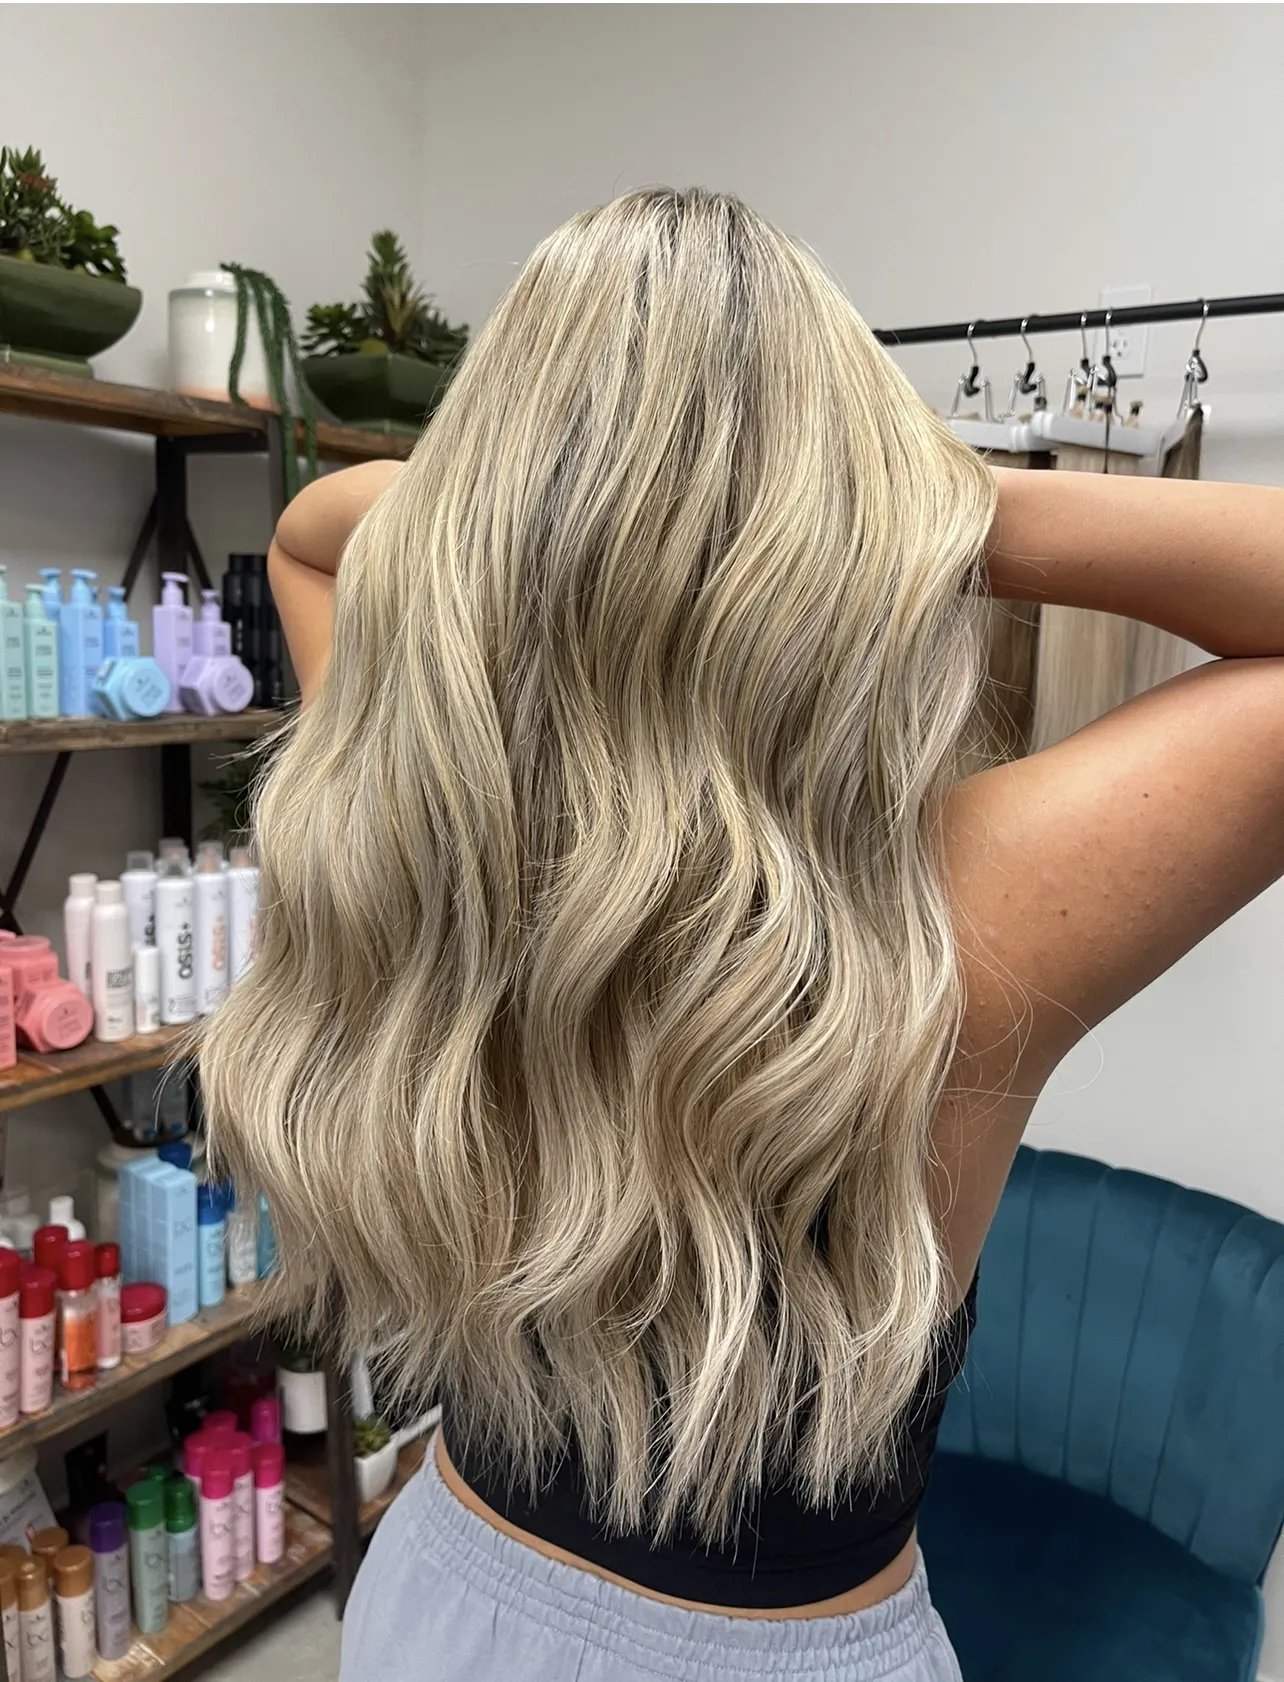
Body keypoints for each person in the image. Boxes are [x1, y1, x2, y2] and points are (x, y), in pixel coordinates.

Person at [200, 189, 1284, 1682]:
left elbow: (312, 538)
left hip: (438, 1596)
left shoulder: (422, 841)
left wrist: (514, 504)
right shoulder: (956, 913)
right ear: (839, 519)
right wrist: (950, 510)